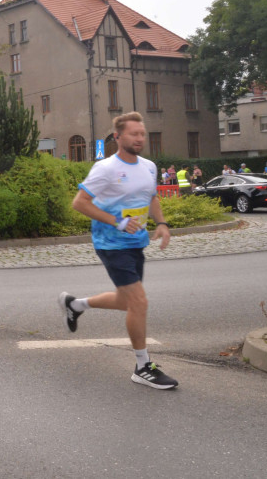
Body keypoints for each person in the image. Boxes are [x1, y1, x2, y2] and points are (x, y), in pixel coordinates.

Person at [59, 112, 176, 390]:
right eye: (134, 134)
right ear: (118, 137)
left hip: (136, 243)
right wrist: (118, 221)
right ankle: (142, 366)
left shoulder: (149, 166)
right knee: (139, 303)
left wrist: (161, 223)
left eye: (142, 133)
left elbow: (152, 196)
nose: (139, 138)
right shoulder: (106, 169)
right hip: (111, 244)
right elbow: (79, 203)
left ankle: (75, 305)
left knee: (127, 302)